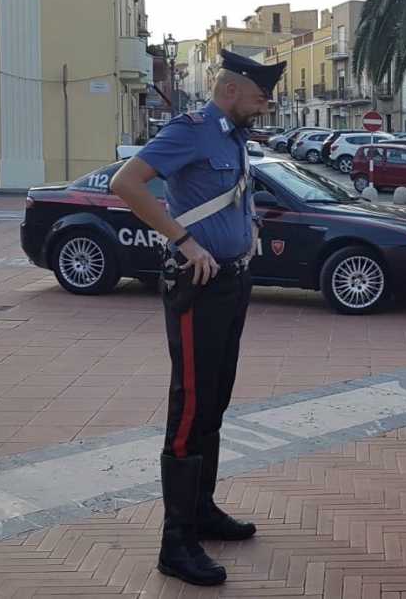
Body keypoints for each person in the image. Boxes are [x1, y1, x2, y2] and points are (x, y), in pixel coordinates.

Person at [111, 50, 285, 586]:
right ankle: (175, 543)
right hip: (199, 288)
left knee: (215, 402)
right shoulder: (191, 130)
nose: (266, 106)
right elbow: (127, 183)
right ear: (231, 91)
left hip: (233, 281)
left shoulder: (233, 136)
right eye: (259, 97)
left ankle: (202, 512)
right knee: (189, 409)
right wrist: (183, 241)